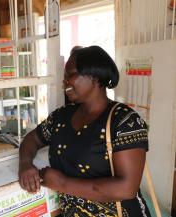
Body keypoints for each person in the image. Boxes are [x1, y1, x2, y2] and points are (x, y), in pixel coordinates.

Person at [18, 46, 151, 216]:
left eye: (70, 74)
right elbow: (32, 140)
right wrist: (25, 164)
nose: (64, 81)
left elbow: (127, 188)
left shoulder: (124, 121)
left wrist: (62, 183)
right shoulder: (61, 116)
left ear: (95, 78)